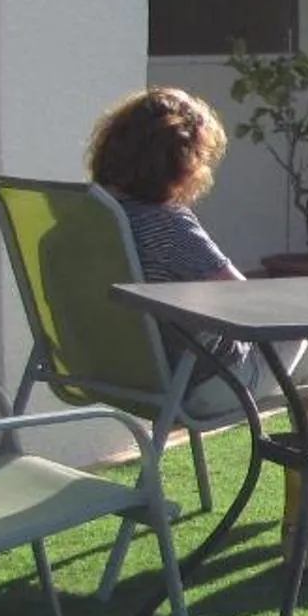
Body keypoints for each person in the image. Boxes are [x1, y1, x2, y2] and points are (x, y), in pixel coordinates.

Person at [86, 86, 267, 420]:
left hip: (107, 375)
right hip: (196, 383)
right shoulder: (167, 225)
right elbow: (247, 301)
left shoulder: (83, 218)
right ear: (183, 161)